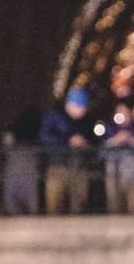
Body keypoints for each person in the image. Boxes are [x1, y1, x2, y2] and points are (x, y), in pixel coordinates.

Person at [39, 86, 95, 214]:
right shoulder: (54, 115)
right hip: (57, 166)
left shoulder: (86, 120)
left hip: (79, 167)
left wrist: (86, 143)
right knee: (54, 205)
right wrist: (68, 141)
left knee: (79, 205)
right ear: (71, 104)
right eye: (81, 107)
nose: (83, 110)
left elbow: (94, 139)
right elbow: (44, 137)